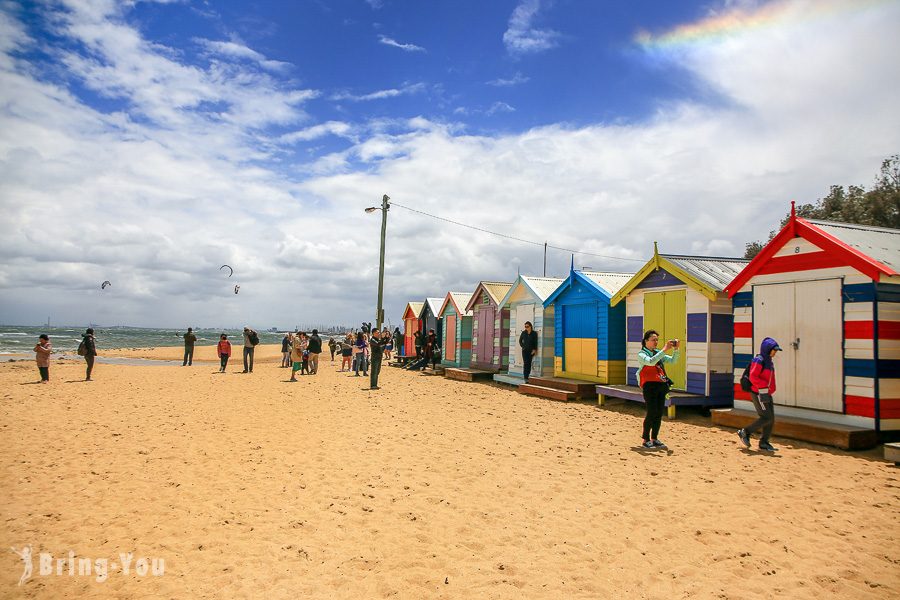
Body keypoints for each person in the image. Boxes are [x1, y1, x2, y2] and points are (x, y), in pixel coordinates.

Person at [738, 337, 782, 452]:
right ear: (768, 349)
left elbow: (771, 379)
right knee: (766, 417)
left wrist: (771, 389)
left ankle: (764, 443)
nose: (775, 352)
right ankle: (745, 432)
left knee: (771, 418)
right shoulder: (759, 360)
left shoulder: (769, 362)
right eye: (774, 350)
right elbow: (753, 377)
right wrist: (764, 387)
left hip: (765, 393)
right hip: (757, 392)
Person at [637, 330, 679, 450]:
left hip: (660, 386)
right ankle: (645, 439)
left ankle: (654, 438)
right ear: (646, 341)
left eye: (657, 340)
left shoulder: (658, 353)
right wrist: (664, 349)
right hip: (649, 387)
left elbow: (673, 361)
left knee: (659, 413)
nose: (656, 342)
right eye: (653, 340)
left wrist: (676, 349)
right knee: (651, 412)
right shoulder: (641, 354)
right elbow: (651, 362)